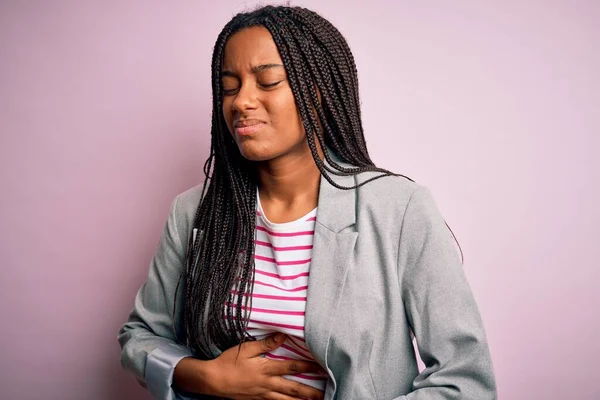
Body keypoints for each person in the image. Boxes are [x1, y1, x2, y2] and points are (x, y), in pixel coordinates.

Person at [118, 5, 497, 400]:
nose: (241, 101)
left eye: (267, 82)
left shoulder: (397, 209)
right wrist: (208, 377)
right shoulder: (195, 212)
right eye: (229, 87)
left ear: (318, 90)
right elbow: (140, 336)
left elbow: (465, 381)